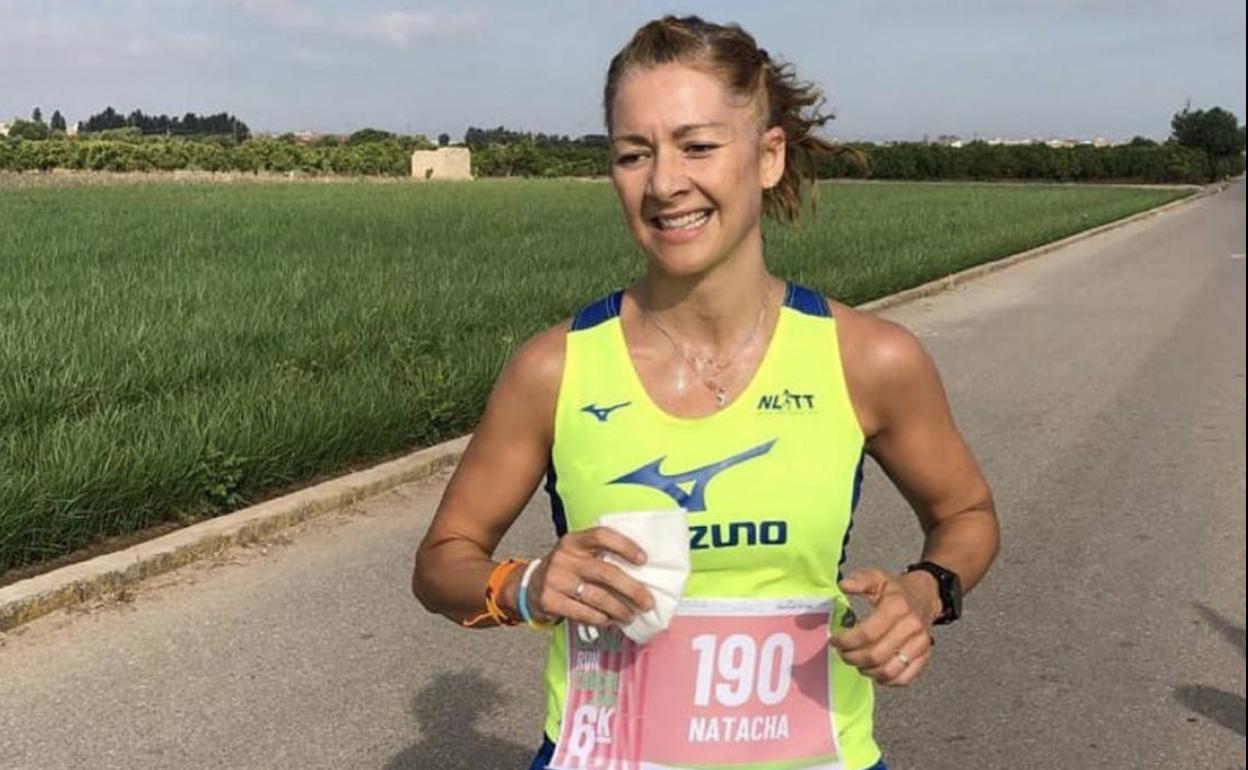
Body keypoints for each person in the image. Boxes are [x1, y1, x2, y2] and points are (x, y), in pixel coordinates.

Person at [412, 15, 999, 770]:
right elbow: (441, 564)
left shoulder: (868, 359)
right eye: (633, 154)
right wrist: (522, 584)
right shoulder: (553, 368)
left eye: (697, 146)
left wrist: (926, 592)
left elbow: (966, 514)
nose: (663, 183)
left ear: (767, 156)